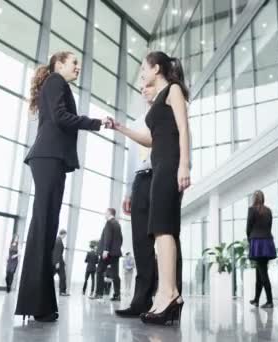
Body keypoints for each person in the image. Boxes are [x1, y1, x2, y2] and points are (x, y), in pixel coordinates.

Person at [15, 51, 111, 323]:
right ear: (59, 65)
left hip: (50, 159)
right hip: (48, 157)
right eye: (74, 63)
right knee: (43, 226)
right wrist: (96, 123)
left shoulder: (55, 83)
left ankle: (41, 303)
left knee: (46, 227)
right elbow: (60, 117)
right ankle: (36, 302)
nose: (78, 68)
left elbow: (58, 118)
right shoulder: (57, 81)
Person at [109, 51, 191, 325]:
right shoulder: (159, 99)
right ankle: (168, 294)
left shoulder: (174, 90)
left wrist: (185, 166)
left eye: (144, 68)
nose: (142, 73)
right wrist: (122, 128)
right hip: (159, 166)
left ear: (156, 68)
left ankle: (169, 294)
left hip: (169, 166)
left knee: (164, 228)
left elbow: (184, 128)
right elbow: (150, 139)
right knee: (160, 230)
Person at [116, 85, 182, 318]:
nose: (145, 89)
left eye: (150, 85)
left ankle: (171, 297)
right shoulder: (136, 122)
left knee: (166, 235)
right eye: (142, 87)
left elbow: (181, 138)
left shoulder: (168, 110)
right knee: (140, 242)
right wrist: (127, 192)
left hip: (162, 174)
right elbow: (131, 158)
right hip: (140, 179)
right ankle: (140, 301)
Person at [246, 190, 275, 309]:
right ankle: (256, 299)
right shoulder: (268, 210)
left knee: (263, 273)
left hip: (257, 242)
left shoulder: (252, 210)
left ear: (254, 198)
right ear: (263, 198)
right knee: (260, 272)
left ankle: (270, 301)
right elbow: (269, 226)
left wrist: (250, 240)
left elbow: (248, 227)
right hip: (267, 242)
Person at [92, 208, 123, 301]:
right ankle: (117, 295)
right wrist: (115, 249)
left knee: (99, 271)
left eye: (105, 213)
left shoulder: (109, 223)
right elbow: (120, 239)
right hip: (115, 253)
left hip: (107, 253)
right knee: (115, 274)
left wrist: (106, 250)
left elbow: (107, 237)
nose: (104, 214)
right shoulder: (117, 224)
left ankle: (99, 293)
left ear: (109, 213)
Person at [52, 229, 69, 296]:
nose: (65, 237)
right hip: (58, 263)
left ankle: (62, 291)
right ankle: (62, 291)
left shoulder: (57, 240)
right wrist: (57, 262)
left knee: (61, 276)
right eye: (65, 235)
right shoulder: (58, 241)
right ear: (63, 234)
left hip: (58, 262)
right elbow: (57, 253)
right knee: (63, 277)